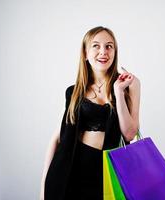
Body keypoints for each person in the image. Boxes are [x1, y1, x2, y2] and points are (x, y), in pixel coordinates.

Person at [40, 26, 141, 200]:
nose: (103, 52)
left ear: (115, 52)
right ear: (85, 54)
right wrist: (43, 188)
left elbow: (130, 133)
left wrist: (118, 92)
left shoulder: (129, 85)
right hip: (72, 169)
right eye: (96, 46)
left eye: (109, 46)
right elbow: (57, 139)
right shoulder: (74, 91)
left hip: (108, 170)